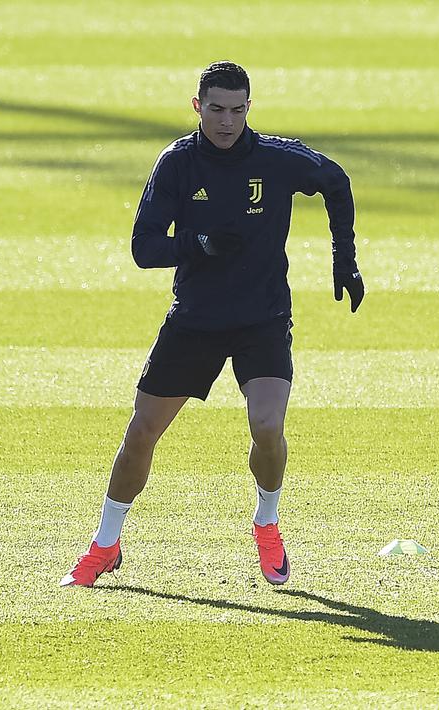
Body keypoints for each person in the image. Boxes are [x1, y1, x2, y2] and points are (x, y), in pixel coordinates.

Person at [60, 61, 364, 589]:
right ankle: (105, 543)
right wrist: (196, 245)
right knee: (141, 433)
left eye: (238, 109)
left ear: (250, 107)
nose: (227, 122)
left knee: (268, 426)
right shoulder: (176, 164)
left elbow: (337, 184)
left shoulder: (277, 159)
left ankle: (266, 523)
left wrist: (345, 259)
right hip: (195, 320)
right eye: (217, 109)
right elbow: (143, 247)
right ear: (197, 106)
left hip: (261, 320)